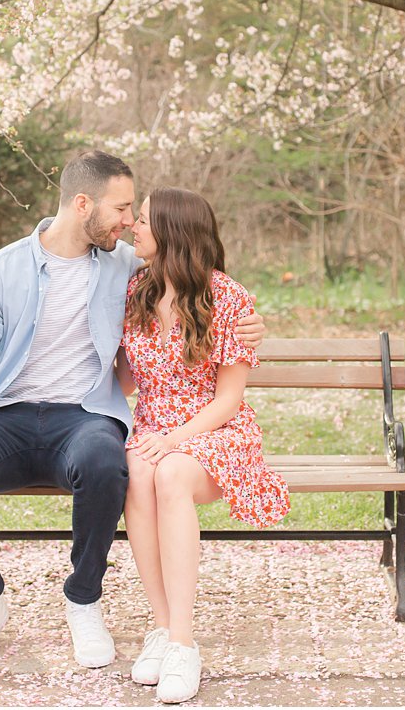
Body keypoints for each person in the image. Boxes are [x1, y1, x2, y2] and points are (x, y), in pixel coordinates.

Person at [0, 150, 265, 672]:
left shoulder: (128, 266)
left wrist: (248, 328)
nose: (130, 223)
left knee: (110, 463)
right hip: (8, 415)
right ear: (83, 205)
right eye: (122, 209)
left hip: (84, 416)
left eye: (137, 213)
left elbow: (197, 281)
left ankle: (84, 599)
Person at [117, 187, 289, 704]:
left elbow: (229, 401)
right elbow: (126, 381)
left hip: (216, 432)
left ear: (171, 232)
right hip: (153, 427)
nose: (133, 227)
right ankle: (165, 630)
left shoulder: (227, 298)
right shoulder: (136, 291)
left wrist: (172, 439)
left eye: (143, 220)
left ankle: (184, 643)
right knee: (136, 471)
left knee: (168, 472)